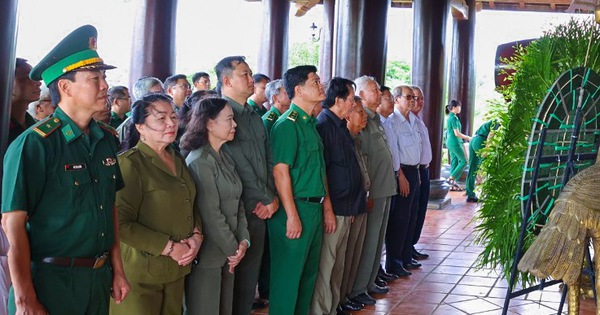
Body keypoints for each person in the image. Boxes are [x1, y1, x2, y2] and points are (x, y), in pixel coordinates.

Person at [1, 24, 129, 315]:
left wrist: (118, 269)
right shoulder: (35, 144)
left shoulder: (106, 139)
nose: (105, 86)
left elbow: (108, 207)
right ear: (65, 86)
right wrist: (24, 300)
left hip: (97, 279)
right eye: (95, 78)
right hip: (49, 282)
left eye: (104, 77)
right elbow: (12, 224)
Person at [109, 93, 201, 315]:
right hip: (141, 273)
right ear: (140, 126)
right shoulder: (130, 164)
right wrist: (169, 248)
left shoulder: (176, 157)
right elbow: (120, 223)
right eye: (161, 118)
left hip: (176, 270)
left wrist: (197, 236)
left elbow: (189, 201)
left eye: (173, 116)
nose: (171, 123)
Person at [215, 56, 278, 315]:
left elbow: (268, 158)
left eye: (250, 73)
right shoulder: (220, 114)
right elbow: (237, 164)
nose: (251, 79)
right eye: (244, 74)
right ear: (227, 80)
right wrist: (262, 199)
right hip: (239, 207)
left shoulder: (253, 114)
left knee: (248, 279)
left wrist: (272, 197)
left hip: (263, 206)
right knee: (231, 280)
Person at [182, 97, 249, 315]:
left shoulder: (224, 157)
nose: (234, 125)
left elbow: (238, 203)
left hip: (229, 251)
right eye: (229, 119)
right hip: (210, 254)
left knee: (224, 309)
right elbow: (210, 213)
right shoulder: (199, 161)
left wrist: (244, 241)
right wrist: (233, 249)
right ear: (210, 124)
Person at [268, 65, 327, 315]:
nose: (321, 85)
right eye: (315, 82)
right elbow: (280, 172)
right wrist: (292, 215)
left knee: (307, 278)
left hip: (312, 207)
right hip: (295, 208)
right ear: (299, 90)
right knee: (288, 279)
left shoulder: (309, 124)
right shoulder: (286, 125)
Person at [311, 78, 364, 315]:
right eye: (351, 99)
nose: (353, 104)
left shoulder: (340, 125)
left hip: (347, 206)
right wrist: (328, 209)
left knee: (338, 265)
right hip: (335, 208)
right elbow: (324, 173)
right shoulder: (324, 125)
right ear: (339, 100)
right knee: (328, 265)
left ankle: (333, 307)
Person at [347, 77, 396, 308]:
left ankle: (370, 281)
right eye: (374, 90)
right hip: (373, 190)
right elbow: (362, 158)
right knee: (369, 240)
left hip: (385, 187)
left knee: (377, 240)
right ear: (362, 95)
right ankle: (359, 288)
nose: (379, 93)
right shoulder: (361, 118)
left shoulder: (375, 119)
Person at [385, 85, 423, 276]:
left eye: (413, 98)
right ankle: (395, 262)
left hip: (414, 171)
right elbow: (394, 151)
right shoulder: (393, 121)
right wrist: (400, 175)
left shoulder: (414, 121)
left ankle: (406, 257)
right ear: (397, 99)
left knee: (411, 217)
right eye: (408, 97)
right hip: (403, 172)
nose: (412, 101)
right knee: (399, 220)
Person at [338, 96, 371, 314]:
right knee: (339, 260)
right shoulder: (341, 136)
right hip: (346, 204)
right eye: (359, 111)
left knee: (352, 257)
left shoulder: (354, 138)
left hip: (359, 201)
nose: (364, 116)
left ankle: (346, 295)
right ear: (348, 115)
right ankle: (338, 301)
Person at [410, 86, 431, 260]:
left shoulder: (418, 121)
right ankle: (405, 250)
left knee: (420, 210)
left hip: (423, 170)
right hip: (412, 170)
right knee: (410, 213)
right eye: (414, 98)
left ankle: (411, 246)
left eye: (421, 98)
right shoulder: (402, 121)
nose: (418, 102)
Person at [117, 76, 165, 148]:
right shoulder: (129, 125)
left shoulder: (167, 121)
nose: (163, 97)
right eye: (157, 94)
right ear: (142, 97)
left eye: (163, 93)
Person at [8, 58, 41, 144]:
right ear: (7, 82)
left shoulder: (36, 125)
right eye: (28, 77)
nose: (39, 83)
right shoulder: (4, 129)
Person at [466, 120, 498, 203]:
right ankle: (487, 194)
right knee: (487, 167)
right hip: (480, 141)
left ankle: (470, 195)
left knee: (472, 168)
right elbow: (491, 134)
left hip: (474, 140)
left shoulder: (493, 120)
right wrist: (486, 149)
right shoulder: (498, 121)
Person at [445, 99, 471, 191]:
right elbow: (457, 133)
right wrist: (468, 137)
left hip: (451, 142)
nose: (460, 108)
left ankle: (452, 185)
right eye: (459, 106)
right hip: (455, 142)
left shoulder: (451, 117)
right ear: (455, 107)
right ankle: (451, 178)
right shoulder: (453, 118)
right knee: (464, 160)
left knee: (455, 162)